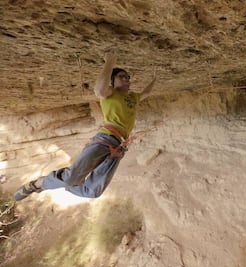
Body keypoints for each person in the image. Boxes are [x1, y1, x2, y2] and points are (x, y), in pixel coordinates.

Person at [14, 51, 157, 201]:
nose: (126, 79)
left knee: (92, 191)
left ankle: (62, 182)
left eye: (128, 77)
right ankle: (37, 184)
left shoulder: (133, 97)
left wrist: (155, 78)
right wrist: (110, 61)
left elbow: (146, 93)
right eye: (121, 77)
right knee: (71, 178)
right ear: (112, 81)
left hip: (120, 146)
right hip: (106, 139)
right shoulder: (110, 94)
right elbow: (99, 89)